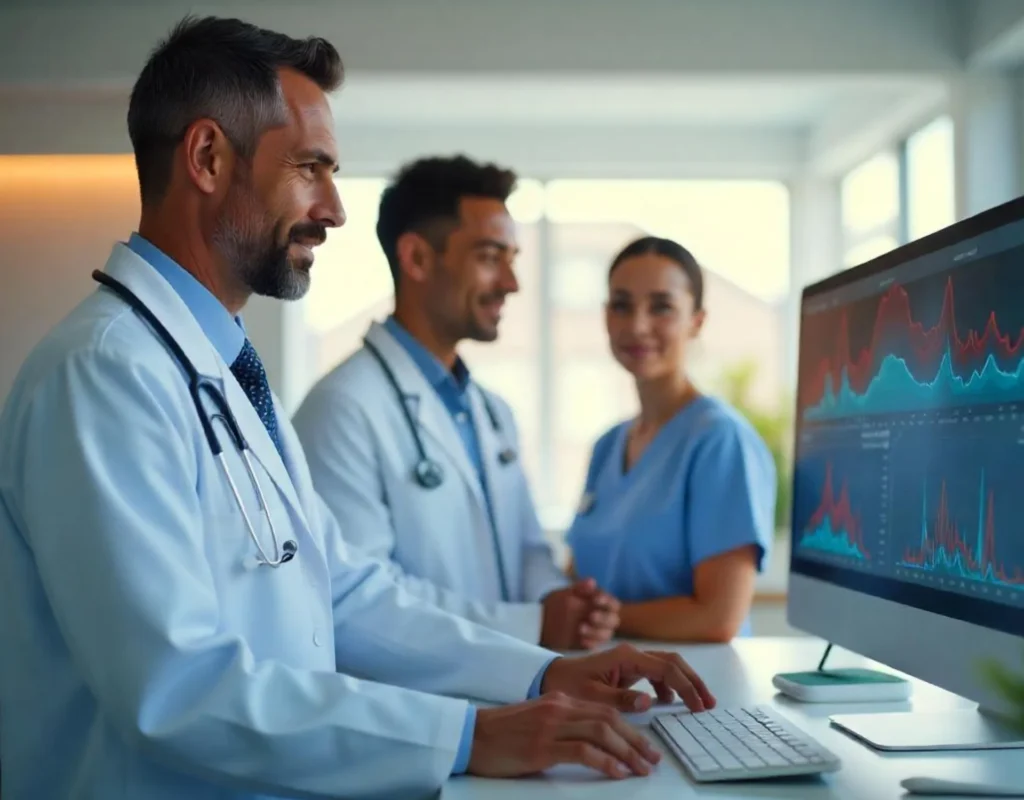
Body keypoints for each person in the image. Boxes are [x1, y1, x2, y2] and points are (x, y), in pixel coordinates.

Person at [0, 19, 717, 799]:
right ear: (207, 158)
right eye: (309, 167)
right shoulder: (105, 373)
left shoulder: (223, 372)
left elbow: (342, 593)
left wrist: (544, 673)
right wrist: (467, 734)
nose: (336, 209)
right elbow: (173, 686)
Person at [293, 155, 618, 650]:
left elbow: (528, 549)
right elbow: (360, 600)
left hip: (512, 681)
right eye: (490, 257)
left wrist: (562, 602)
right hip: (411, 694)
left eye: (512, 259)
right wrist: (532, 626)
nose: (511, 283)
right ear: (417, 258)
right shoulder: (341, 409)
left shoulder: (493, 412)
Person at [564, 236, 776, 643]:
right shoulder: (607, 446)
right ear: (606, 316)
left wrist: (602, 619)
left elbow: (718, 617)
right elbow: (577, 579)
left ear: (697, 321)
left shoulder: (719, 441)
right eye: (621, 305)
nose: (637, 326)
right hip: (608, 672)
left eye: (661, 307)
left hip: (696, 680)